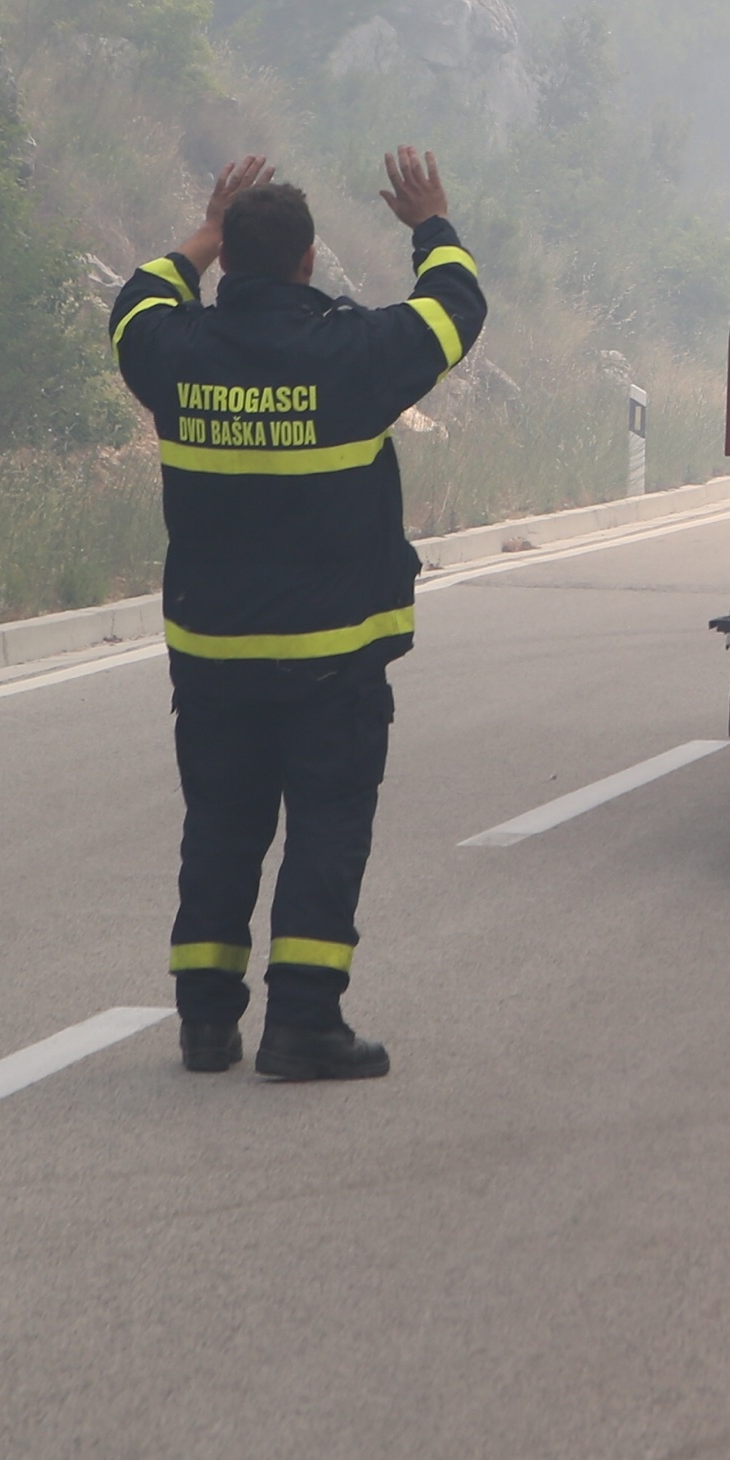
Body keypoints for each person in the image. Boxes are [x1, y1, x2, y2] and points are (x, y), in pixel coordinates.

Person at [108, 149, 486, 1081]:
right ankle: (304, 1024)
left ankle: (205, 1024)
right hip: (330, 660)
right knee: (325, 827)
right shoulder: (355, 355)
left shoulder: (176, 353)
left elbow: (137, 304)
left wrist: (206, 228)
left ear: (230, 262)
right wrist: (431, 223)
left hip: (213, 654)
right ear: (311, 261)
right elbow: (455, 310)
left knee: (221, 825)